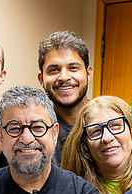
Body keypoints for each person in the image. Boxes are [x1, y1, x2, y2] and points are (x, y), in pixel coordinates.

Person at [37, 30, 93, 166]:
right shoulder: (37, 132)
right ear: (41, 79)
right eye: (54, 70)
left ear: (88, 74)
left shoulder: (108, 124)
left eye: (73, 68)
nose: (64, 77)